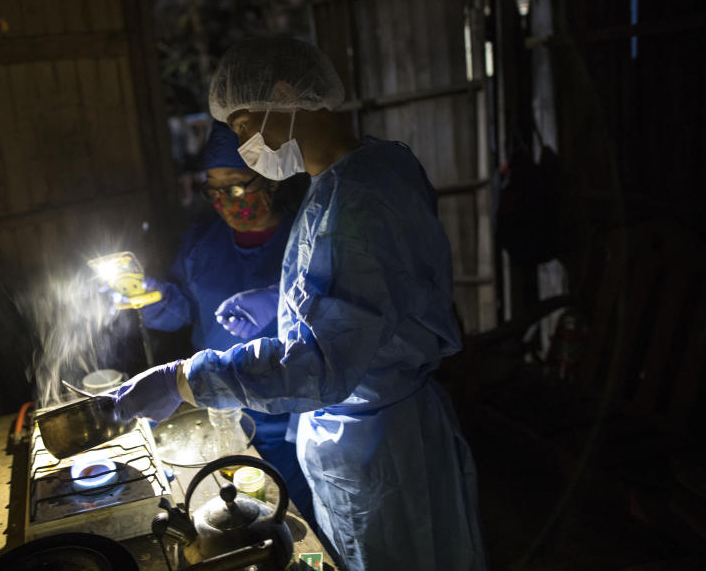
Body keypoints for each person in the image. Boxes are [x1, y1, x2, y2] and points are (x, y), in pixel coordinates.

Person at [113, 37, 487, 570]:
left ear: (286, 94)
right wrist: (284, 301)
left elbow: (320, 364)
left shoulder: (361, 196)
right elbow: (373, 289)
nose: (244, 145)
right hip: (355, 435)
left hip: (377, 446)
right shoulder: (356, 174)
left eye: (243, 126)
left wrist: (184, 379)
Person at [127, 120, 315, 525]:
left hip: (297, 420)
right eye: (214, 190)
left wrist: (276, 297)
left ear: (270, 179)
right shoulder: (201, 243)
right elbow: (182, 311)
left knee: (301, 523)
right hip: (223, 413)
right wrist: (152, 297)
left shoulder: (306, 239)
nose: (225, 200)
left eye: (235, 185)